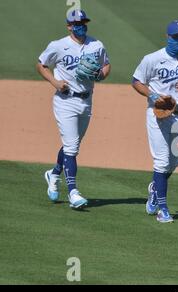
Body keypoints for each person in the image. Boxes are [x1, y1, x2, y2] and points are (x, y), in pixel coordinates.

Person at [132, 21, 178, 223]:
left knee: (174, 162)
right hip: (158, 115)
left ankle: (155, 188)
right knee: (162, 161)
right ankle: (162, 209)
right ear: (168, 37)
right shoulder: (152, 59)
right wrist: (152, 95)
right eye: (176, 37)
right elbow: (136, 81)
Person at [37, 10, 111, 209]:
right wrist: (55, 82)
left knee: (73, 144)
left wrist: (101, 75)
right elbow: (41, 65)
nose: (81, 26)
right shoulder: (58, 46)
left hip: (86, 101)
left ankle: (53, 174)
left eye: (84, 22)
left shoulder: (96, 44)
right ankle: (73, 192)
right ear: (69, 26)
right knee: (72, 147)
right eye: (76, 23)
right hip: (65, 101)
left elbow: (106, 65)